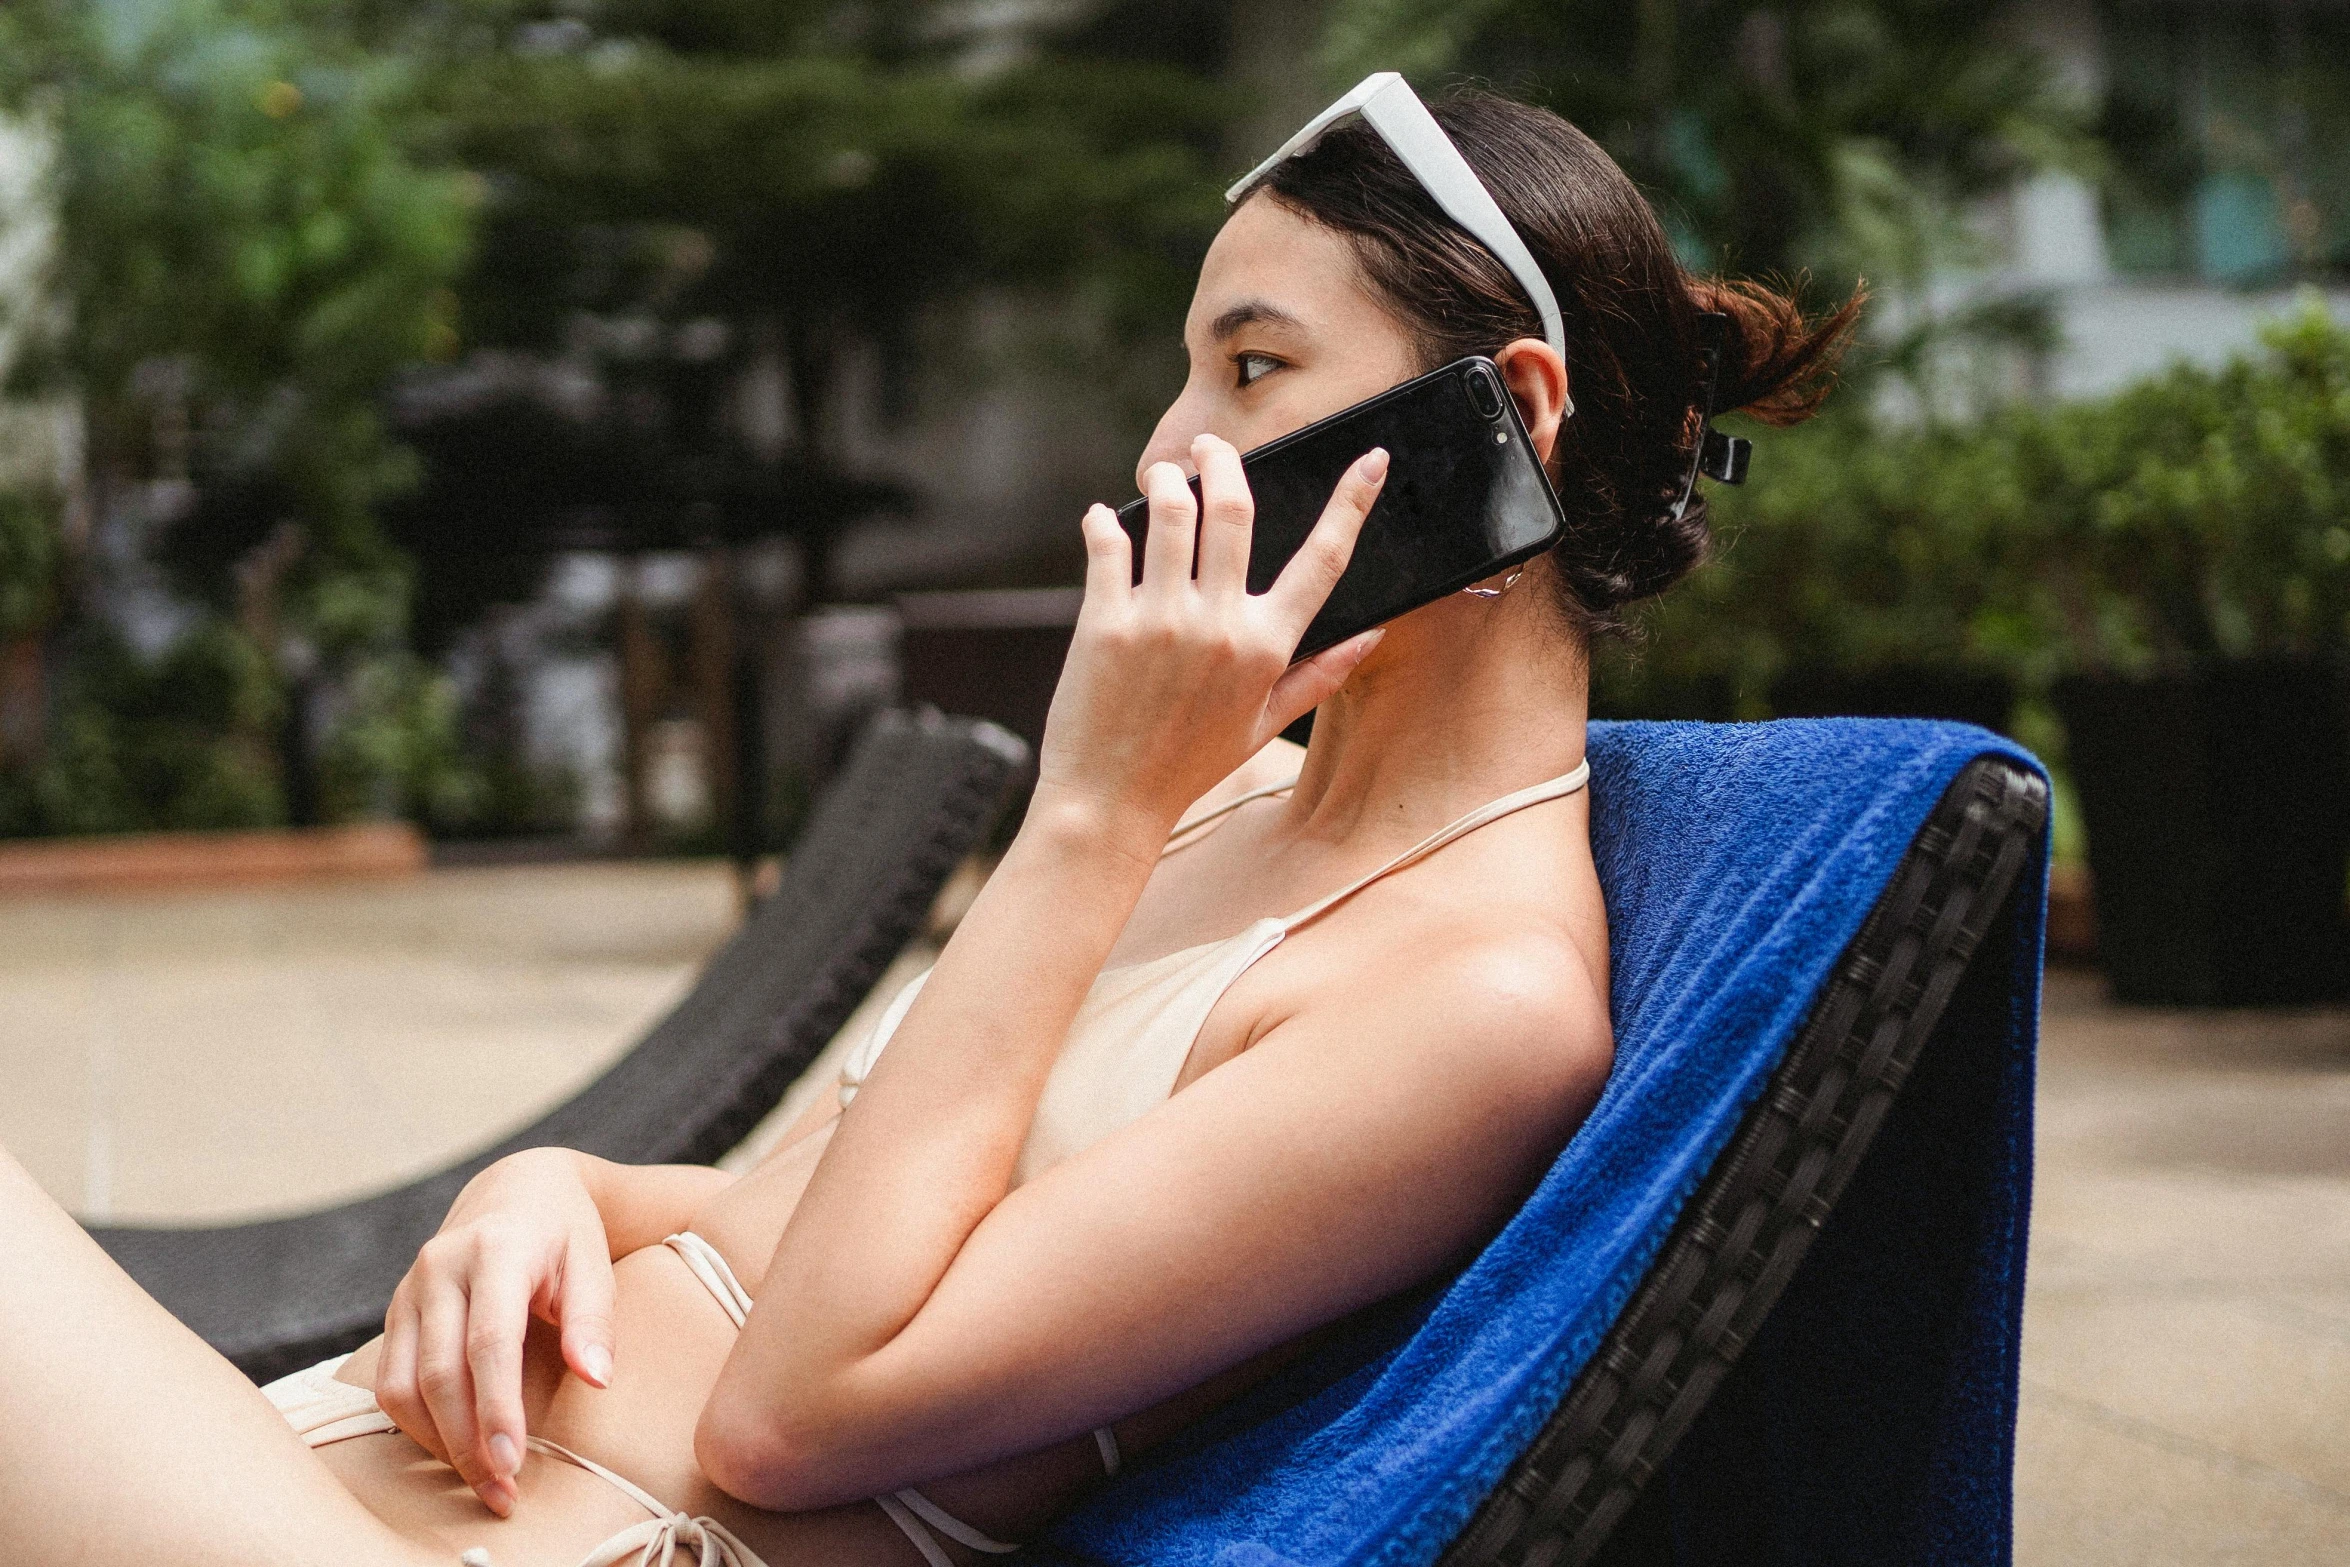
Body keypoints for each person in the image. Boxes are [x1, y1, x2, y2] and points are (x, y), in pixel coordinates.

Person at [0, 82, 1855, 1567]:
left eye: (1254, 365)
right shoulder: (1236, 806)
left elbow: (796, 1411)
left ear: (1500, 417)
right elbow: (783, 1208)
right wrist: (546, 1188)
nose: (1166, 444)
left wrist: (1089, 810)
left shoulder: (1475, 1005)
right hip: (325, 1469)